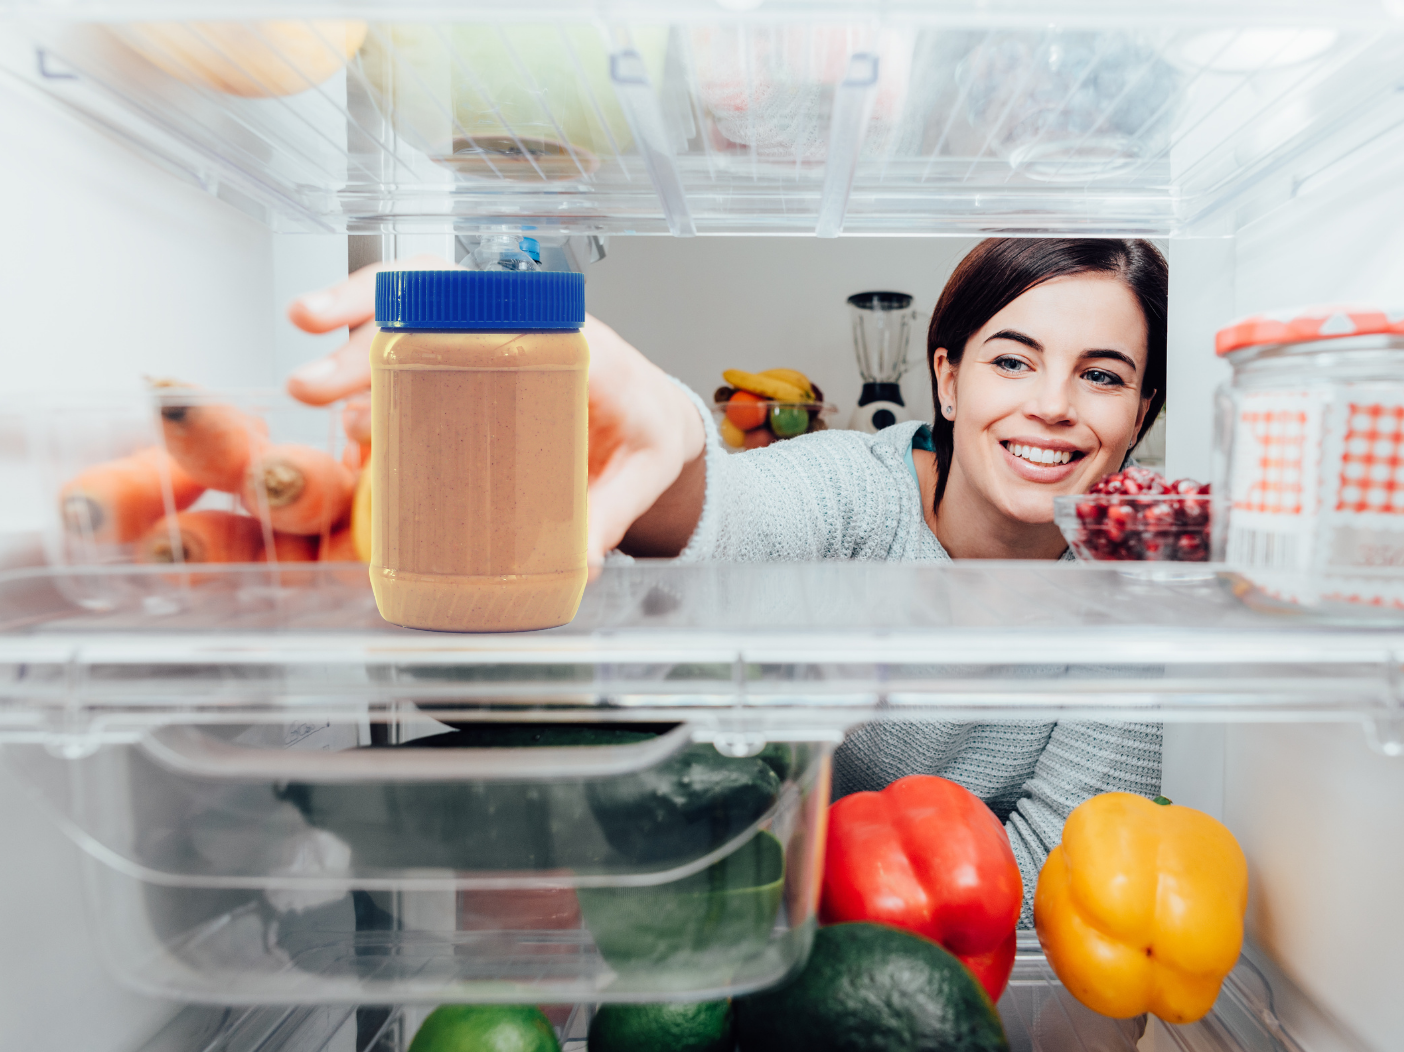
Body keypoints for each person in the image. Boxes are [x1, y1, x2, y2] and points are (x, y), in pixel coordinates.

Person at [286, 237, 1166, 924]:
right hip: (750, 919)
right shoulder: (857, 487)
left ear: (1141, 416)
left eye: (1101, 376)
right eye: (1012, 360)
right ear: (946, 377)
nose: (1053, 404)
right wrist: (670, 435)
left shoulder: (1133, 597)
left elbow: (1071, 871)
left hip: (945, 964)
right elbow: (736, 517)